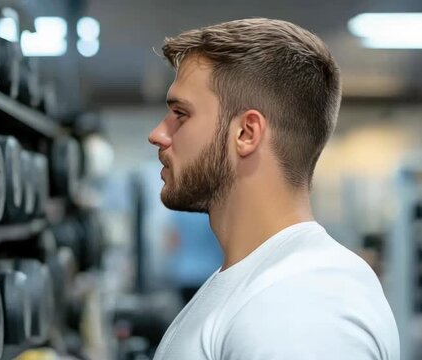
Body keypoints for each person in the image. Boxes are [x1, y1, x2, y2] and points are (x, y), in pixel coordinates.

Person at [147, 18, 399, 359]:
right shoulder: (261, 283)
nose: (159, 134)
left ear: (247, 134)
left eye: (181, 114)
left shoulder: (302, 305)